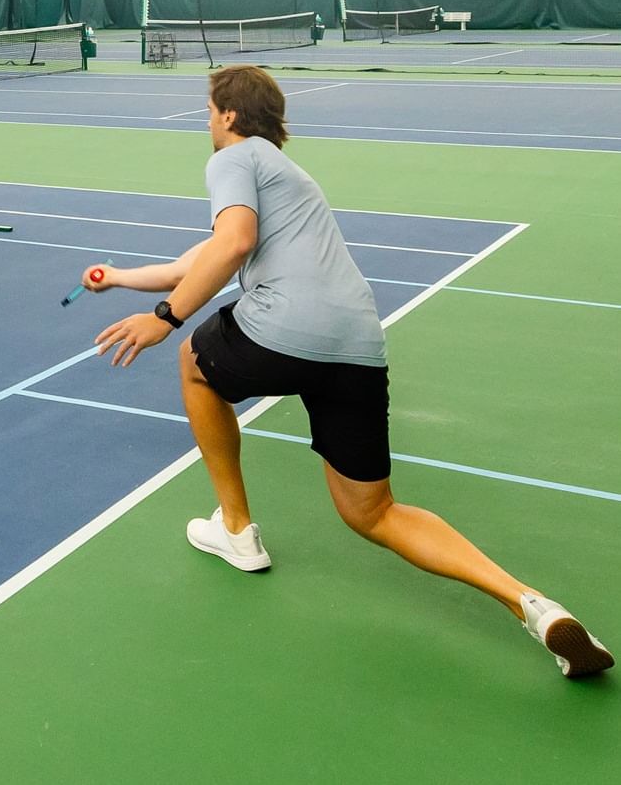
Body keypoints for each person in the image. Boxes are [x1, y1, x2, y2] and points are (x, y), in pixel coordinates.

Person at [85, 64, 611, 679]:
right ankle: (535, 606)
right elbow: (197, 259)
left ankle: (236, 529)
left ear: (229, 115)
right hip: (357, 345)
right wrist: (118, 276)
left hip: (285, 326)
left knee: (192, 361)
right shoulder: (287, 177)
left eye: (209, 110)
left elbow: (230, 245)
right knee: (374, 513)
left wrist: (165, 319)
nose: (207, 121)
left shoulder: (234, 158)